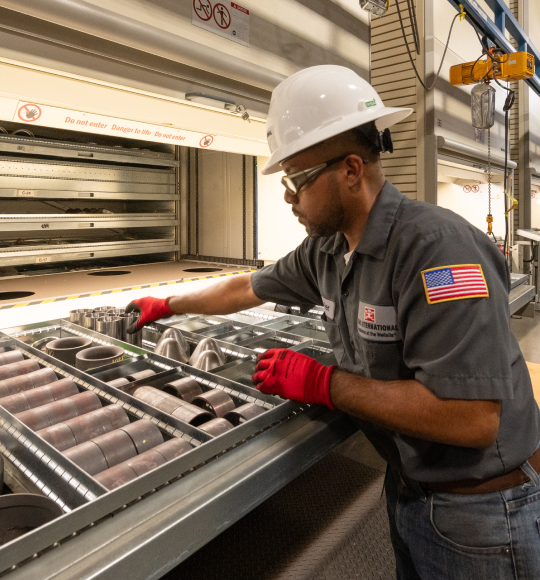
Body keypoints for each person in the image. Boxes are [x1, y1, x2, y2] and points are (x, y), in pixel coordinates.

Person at [126, 65, 540, 579]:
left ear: (349, 170)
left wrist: (325, 383)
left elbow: (473, 418)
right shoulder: (327, 250)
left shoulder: (435, 251)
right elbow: (244, 287)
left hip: (480, 512)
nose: (287, 197)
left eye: (296, 180)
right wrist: (169, 304)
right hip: (410, 487)